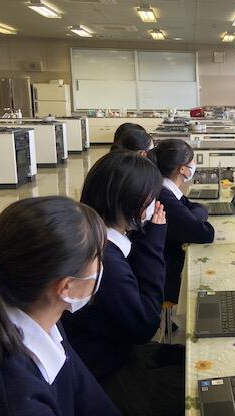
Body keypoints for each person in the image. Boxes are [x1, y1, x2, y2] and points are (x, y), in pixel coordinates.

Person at [0, 196, 119, 416]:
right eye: (98, 258)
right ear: (66, 287)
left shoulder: (44, 320)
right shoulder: (14, 399)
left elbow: (89, 398)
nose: (103, 266)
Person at [61, 151, 184, 416]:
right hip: (106, 373)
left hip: (109, 353)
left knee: (184, 357)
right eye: (153, 199)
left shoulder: (97, 235)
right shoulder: (106, 259)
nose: (156, 205)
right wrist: (154, 241)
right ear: (138, 205)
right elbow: (145, 325)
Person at [149, 139, 215, 303]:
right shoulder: (165, 197)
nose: (194, 165)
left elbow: (195, 207)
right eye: (192, 161)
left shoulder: (166, 188)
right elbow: (205, 233)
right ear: (183, 169)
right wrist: (194, 218)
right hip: (167, 273)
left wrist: (193, 217)